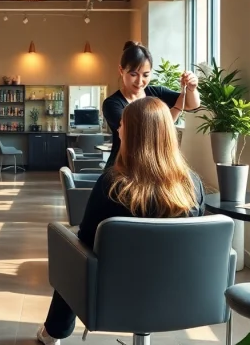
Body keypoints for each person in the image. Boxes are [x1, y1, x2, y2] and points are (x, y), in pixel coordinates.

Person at [37, 97, 206, 344]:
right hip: (183, 292)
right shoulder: (193, 185)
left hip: (114, 293)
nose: (118, 129)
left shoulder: (112, 185)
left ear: (135, 133)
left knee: (72, 250)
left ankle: (54, 332)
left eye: (123, 124)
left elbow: (86, 240)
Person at [101, 41, 200, 169]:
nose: (140, 81)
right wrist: (175, 110)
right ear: (121, 70)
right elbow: (139, 133)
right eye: (133, 74)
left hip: (153, 167)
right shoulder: (112, 104)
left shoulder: (156, 92)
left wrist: (191, 88)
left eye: (146, 75)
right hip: (122, 168)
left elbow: (191, 105)